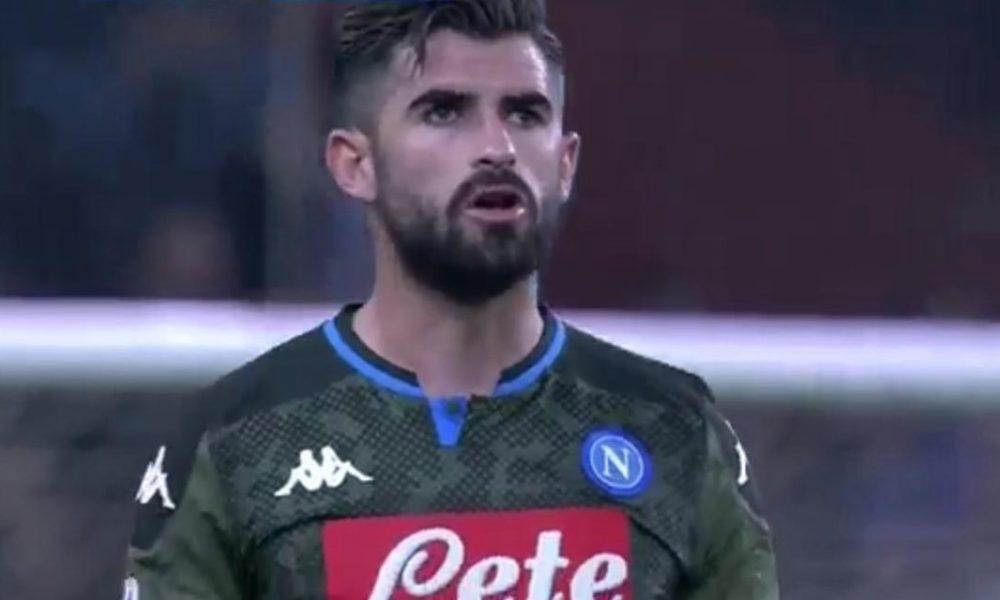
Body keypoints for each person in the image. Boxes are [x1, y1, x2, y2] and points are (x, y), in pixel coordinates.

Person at [122, 1, 779, 598]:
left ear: (565, 163)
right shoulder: (236, 442)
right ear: (355, 164)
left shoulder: (675, 433)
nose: (497, 148)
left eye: (525, 114)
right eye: (444, 111)